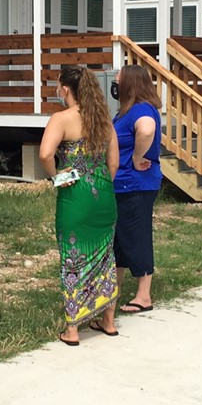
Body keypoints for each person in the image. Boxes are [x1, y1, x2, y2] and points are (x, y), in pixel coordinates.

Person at [39, 65, 120, 345]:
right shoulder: (103, 118)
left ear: (65, 89)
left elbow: (46, 153)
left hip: (76, 195)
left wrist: (56, 175)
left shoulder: (61, 119)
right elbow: (114, 163)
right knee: (105, 257)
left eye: (58, 86)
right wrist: (100, 184)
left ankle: (73, 329)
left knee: (73, 259)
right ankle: (108, 321)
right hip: (104, 194)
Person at [110, 64, 162, 314]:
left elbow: (147, 129)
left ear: (129, 83)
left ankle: (144, 295)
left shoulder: (141, 109)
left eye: (118, 80)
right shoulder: (125, 111)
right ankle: (114, 290)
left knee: (136, 235)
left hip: (136, 185)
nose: (115, 84)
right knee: (119, 239)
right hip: (122, 185)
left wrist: (136, 157)